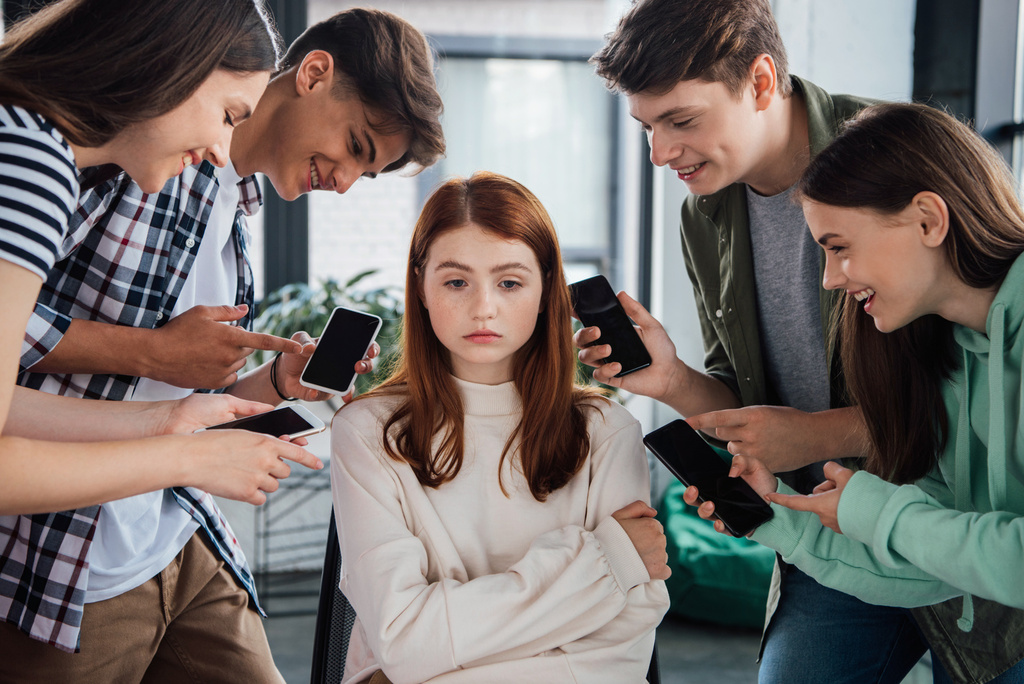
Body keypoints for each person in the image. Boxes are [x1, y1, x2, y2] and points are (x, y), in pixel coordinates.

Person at [584, 0, 1024, 682]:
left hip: (946, 511)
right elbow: (740, 393)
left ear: (760, 82)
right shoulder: (705, 217)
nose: (659, 153)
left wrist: (818, 436)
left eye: (681, 120)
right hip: (837, 521)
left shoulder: (892, 159)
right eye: (646, 126)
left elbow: (966, 405)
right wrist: (671, 379)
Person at [2, 6, 446, 681]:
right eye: (357, 145)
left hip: (180, 530)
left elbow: (184, 397)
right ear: (314, 74)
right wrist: (148, 353)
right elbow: (17, 320)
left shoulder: (238, 213)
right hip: (77, 557)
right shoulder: (125, 150)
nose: (348, 181)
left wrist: (274, 385)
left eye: (370, 172)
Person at [689, 101, 1024, 682]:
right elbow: (936, 567)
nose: (830, 279)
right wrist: (776, 518)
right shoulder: (948, 354)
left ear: (927, 220)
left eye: (839, 247)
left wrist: (875, 509)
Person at [330, 171, 670, 683]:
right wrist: (605, 563)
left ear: (545, 290)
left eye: (509, 282)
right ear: (421, 286)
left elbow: (619, 654)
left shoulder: (607, 433)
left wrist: (436, 659)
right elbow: (402, 638)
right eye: (456, 281)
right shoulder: (366, 432)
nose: (483, 307)